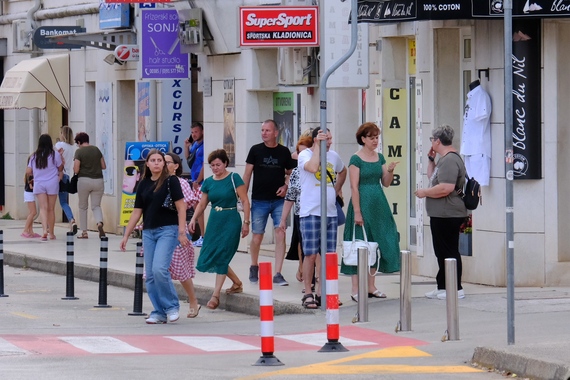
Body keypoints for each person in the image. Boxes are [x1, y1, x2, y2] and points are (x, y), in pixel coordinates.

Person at [120, 149, 190, 324]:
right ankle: (159, 311)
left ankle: (172, 306)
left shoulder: (171, 181)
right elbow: (137, 212)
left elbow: (181, 208)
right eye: (153, 160)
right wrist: (126, 235)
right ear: (148, 164)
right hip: (149, 232)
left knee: (160, 269)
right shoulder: (143, 184)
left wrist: (182, 232)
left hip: (168, 229)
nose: (157, 163)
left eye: (160, 160)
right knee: (150, 275)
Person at [340, 122, 401, 302]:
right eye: (372, 137)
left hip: (378, 203)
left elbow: (386, 182)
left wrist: (390, 170)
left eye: (377, 137)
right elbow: (354, 186)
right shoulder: (356, 159)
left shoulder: (379, 157)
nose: (375, 141)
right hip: (362, 203)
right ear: (363, 139)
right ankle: (355, 288)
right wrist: (357, 212)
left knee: (377, 242)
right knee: (359, 243)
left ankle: (371, 286)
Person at [189, 149, 250, 310]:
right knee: (210, 255)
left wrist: (246, 222)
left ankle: (215, 296)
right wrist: (193, 219)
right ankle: (236, 282)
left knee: (222, 256)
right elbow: (202, 204)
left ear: (225, 164)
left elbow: (245, 200)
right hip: (215, 220)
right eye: (212, 165)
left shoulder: (233, 178)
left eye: (218, 164)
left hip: (231, 219)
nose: (215, 168)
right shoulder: (208, 182)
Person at [415, 124, 468, 300]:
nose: (431, 143)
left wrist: (424, 193)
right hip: (441, 213)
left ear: (438, 141)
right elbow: (433, 178)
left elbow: (446, 187)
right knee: (441, 251)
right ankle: (443, 286)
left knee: (449, 251)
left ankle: (456, 288)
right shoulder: (444, 159)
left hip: (448, 213)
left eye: (432, 140)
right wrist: (431, 159)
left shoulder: (451, 159)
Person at [243, 119, 296, 285]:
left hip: (279, 200)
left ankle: (278, 272)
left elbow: (291, 171)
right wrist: (243, 197)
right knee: (257, 235)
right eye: (262, 130)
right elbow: (247, 174)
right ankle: (253, 265)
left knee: (280, 232)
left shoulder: (283, 152)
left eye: (267, 130)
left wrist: (286, 185)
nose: (264, 133)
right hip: (259, 200)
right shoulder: (255, 150)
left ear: (275, 133)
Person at [297, 128, 346, 309]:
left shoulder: (334, 156)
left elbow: (343, 170)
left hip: (330, 212)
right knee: (310, 254)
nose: (330, 141)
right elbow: (312, 168)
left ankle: (323, 290)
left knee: (328, 255)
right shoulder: (305, 155)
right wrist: (317, 146)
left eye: (331, 138)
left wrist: (337, 189)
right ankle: (308, 292)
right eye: (326, 138)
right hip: (310, 211)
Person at [164, 152, 200, 318]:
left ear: (176, 165)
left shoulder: (181, 183)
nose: (163, 165)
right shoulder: (154, 182)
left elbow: (184, 207)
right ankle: (163, 306)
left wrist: (182, 231)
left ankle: (193, 300)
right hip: (158, 229)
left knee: (181, 270)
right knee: (158, 271)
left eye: (167, 162)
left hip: (177, 230)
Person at [279, 136, 313, 283]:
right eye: (299, 153)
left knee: (315, 247)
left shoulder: (321, 167)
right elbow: (290, 196)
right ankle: (305, 272)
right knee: (303, 244)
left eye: (304, 153)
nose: (301, 156)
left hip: (318, 212)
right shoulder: (296, 173)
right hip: (301, 213)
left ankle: (314, 275)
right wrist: (283, 219)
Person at [26, 134, 63, 241]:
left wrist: (36, 172)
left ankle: (44, 231)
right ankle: (51, 233)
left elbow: (28, 171)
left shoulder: (34, 156)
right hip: (52, 183)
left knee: (43, 208)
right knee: (51, 209)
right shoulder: (54, 154)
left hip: (39, 184)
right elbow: (60, 167)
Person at [73, 132, 106, 239]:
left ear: (79, 142)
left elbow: (76, 169)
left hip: (84, 181)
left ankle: (84, 232)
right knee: (96, 206)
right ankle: (99, 223)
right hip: (98, 181)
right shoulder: (96, 150)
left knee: (83, 207)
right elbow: (103, 166)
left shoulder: (79, 151)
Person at [460, 79, 492, 186]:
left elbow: (481, 120)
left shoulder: (481, 96)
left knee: (478, 184)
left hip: (478, 148)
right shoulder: (470, 98)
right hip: (468, 148)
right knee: (470, 185)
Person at [184, 122, 205, 247]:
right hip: (194, 179)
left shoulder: (204, 146)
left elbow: (204, 165)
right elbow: (189, 159)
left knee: (199, 208)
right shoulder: (195, 145)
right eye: (192, 132)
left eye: (196, 132)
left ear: (202, 131)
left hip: (200, 181)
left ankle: (203, 235)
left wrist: (198, 180)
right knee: (196, 208)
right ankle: (202, 235)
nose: (194, 134)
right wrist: (186, 146)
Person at [55, 125, 77, 234]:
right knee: (64, 202)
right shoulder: (71, 148)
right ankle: (71, 220)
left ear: (63, 134)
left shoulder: (59, 145)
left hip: (58, 175)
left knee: (51, 202)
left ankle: (49, 227)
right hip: (67, 175)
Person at [21, 155, 41, 239]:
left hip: (29, 193)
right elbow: (31, 186)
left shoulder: (29, 172)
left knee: (32, 212)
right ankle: (25, 230)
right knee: (33, 212)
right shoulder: (30, 174)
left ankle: (30, 231)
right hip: (29, 193)